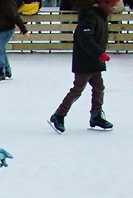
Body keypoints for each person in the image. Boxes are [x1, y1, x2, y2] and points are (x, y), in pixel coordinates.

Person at [49, 0, 118, 133]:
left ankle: (96, 115)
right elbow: (85, 38)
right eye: (112, 6)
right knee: (78, 89)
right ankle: (58, 115)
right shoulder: (90, 17)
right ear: (104, 4)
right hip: (85, 61)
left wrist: (99, 55)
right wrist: (99, 53)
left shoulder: (101, 17)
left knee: (99, 88)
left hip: (95, 61)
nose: (113, 9)